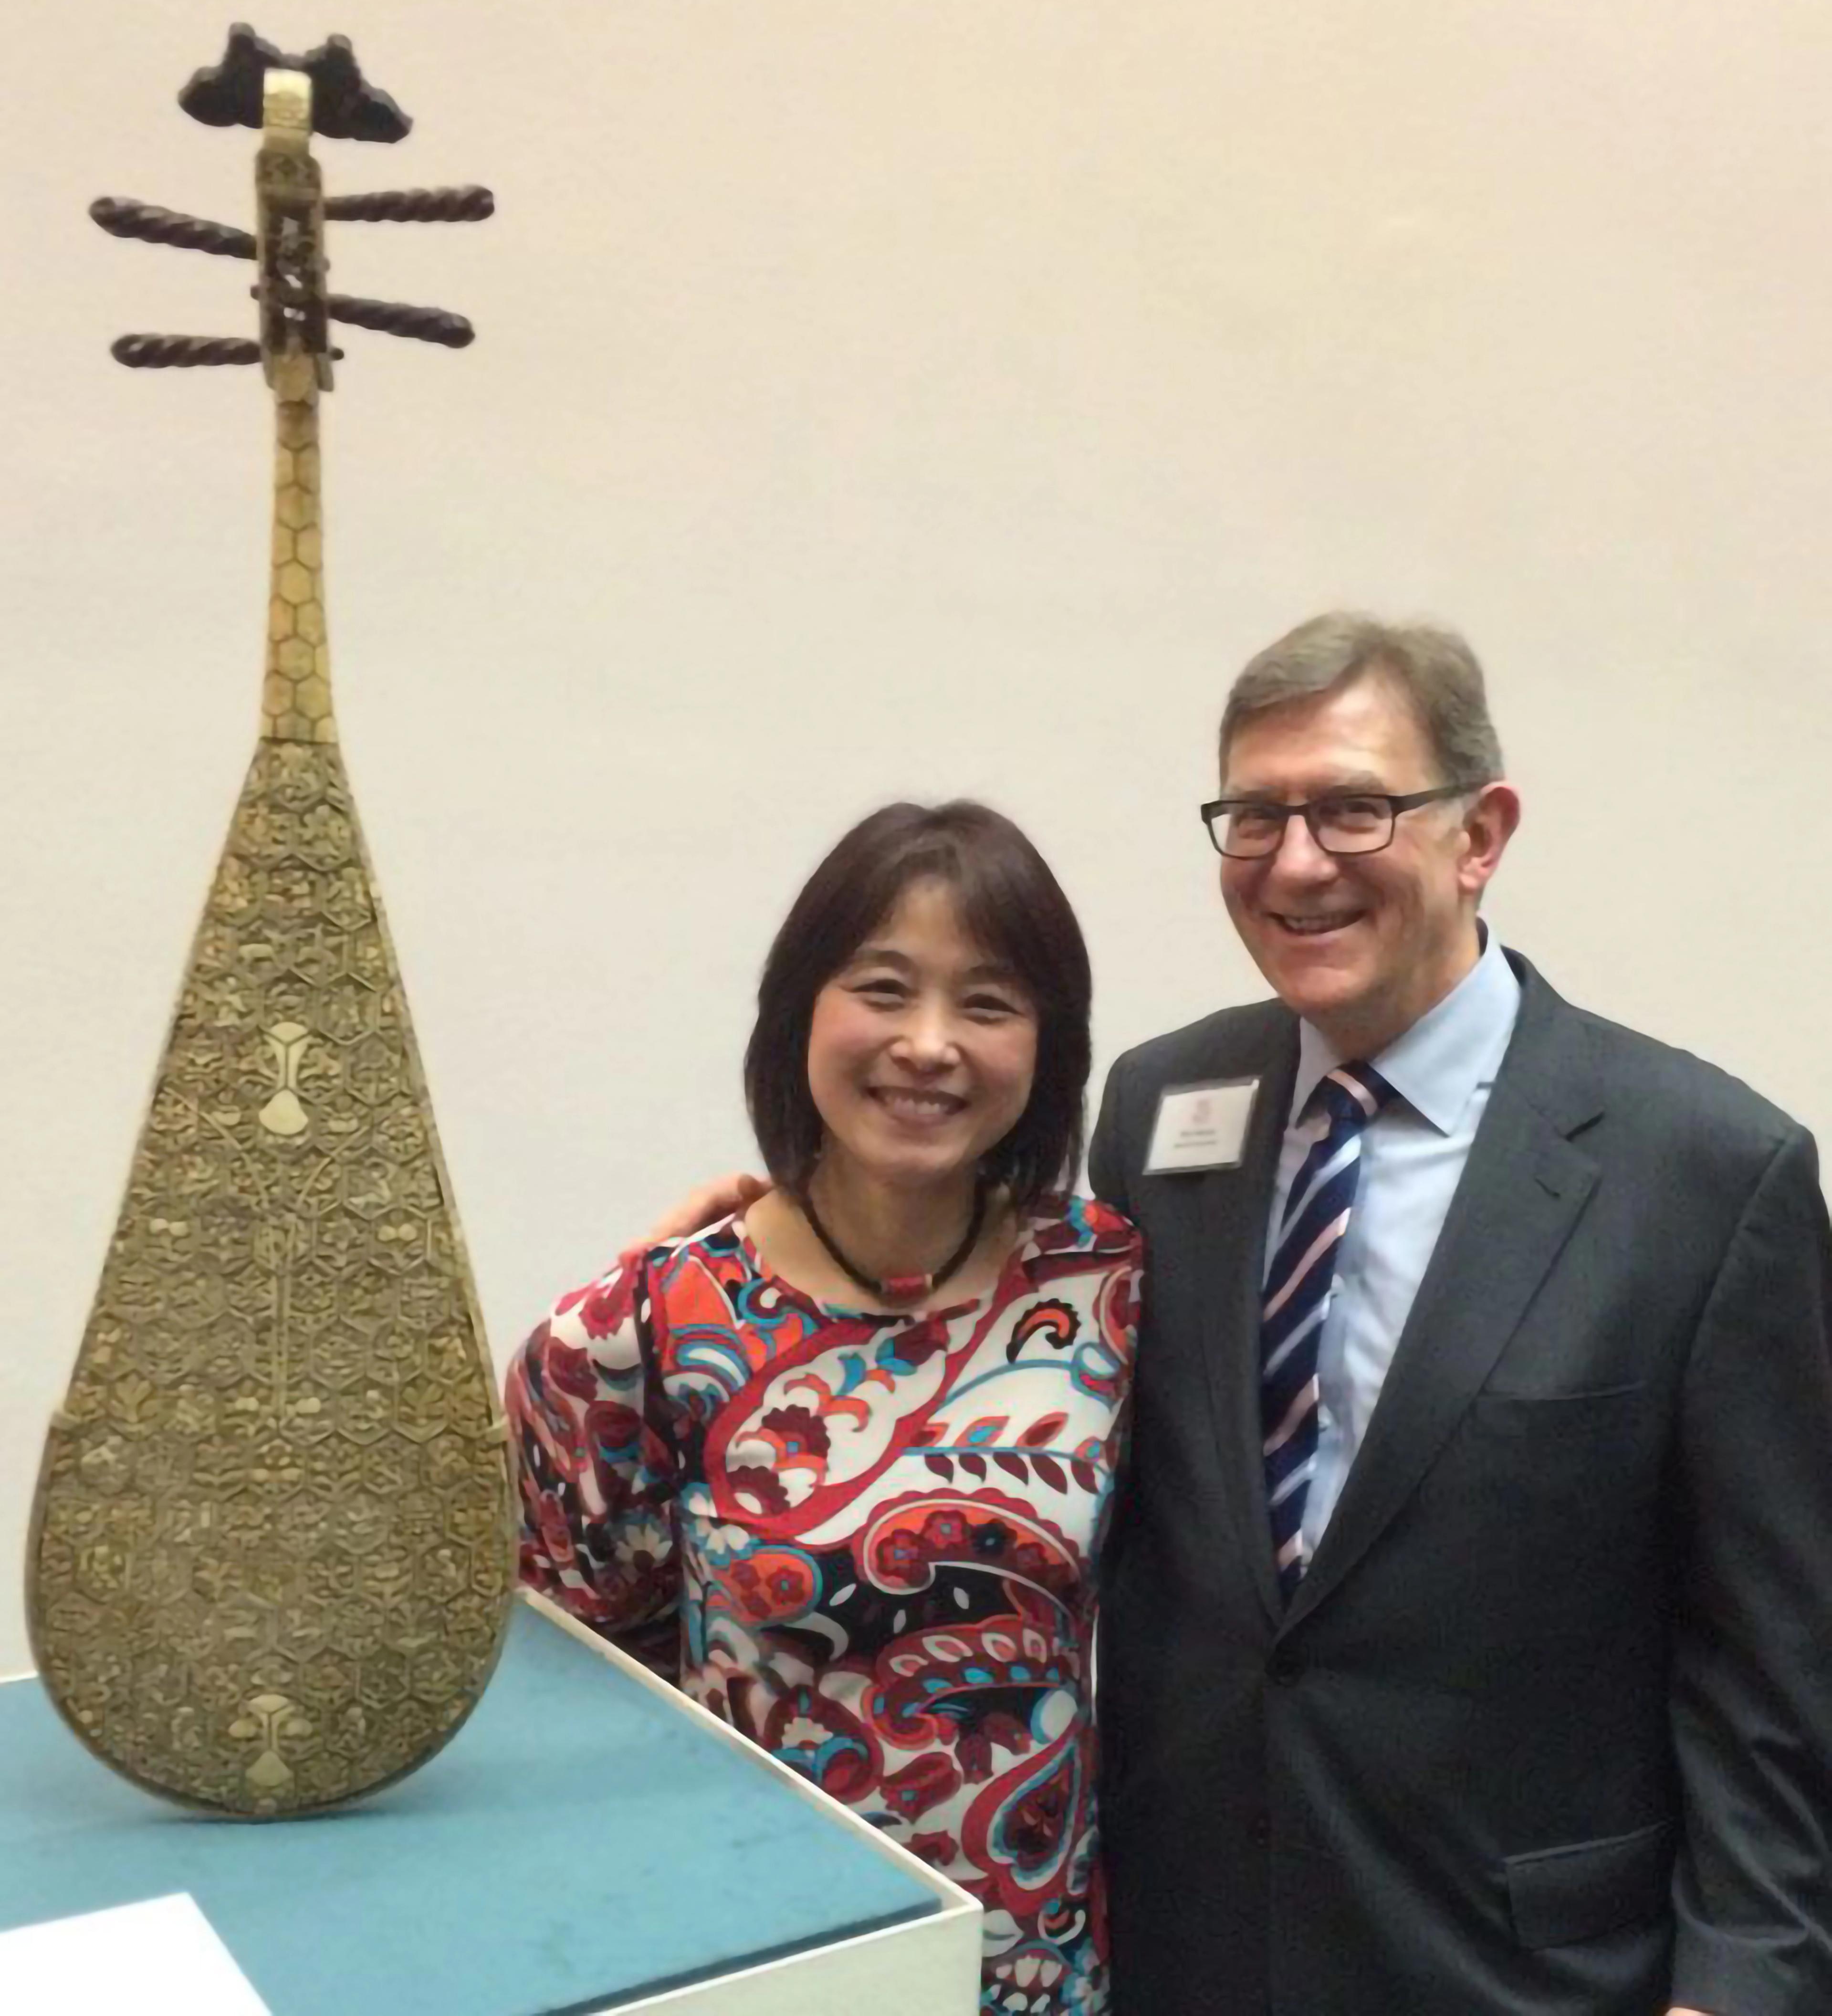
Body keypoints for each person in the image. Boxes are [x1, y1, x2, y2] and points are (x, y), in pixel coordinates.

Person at [1087, 613, 1832, 2014]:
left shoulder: (1706, 1173)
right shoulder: (1160, 1109)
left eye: (1352, 808)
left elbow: (1773, 1661)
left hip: (1521, 1969)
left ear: (1480, 834)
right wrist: (780, 1232)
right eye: (1255, 816)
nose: (1295, 862)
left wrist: (1741, 1984)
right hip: (1196, 1943)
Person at [506, 800, 1141, 2016]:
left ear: (1049, 1048)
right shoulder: (632, 1334)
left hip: (1037, 1965)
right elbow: (573, 1702)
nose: (929, 1044)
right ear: (800, 1008)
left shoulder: (1108, 1281)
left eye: (989, 1003)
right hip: (759, 1957)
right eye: (884, 989)